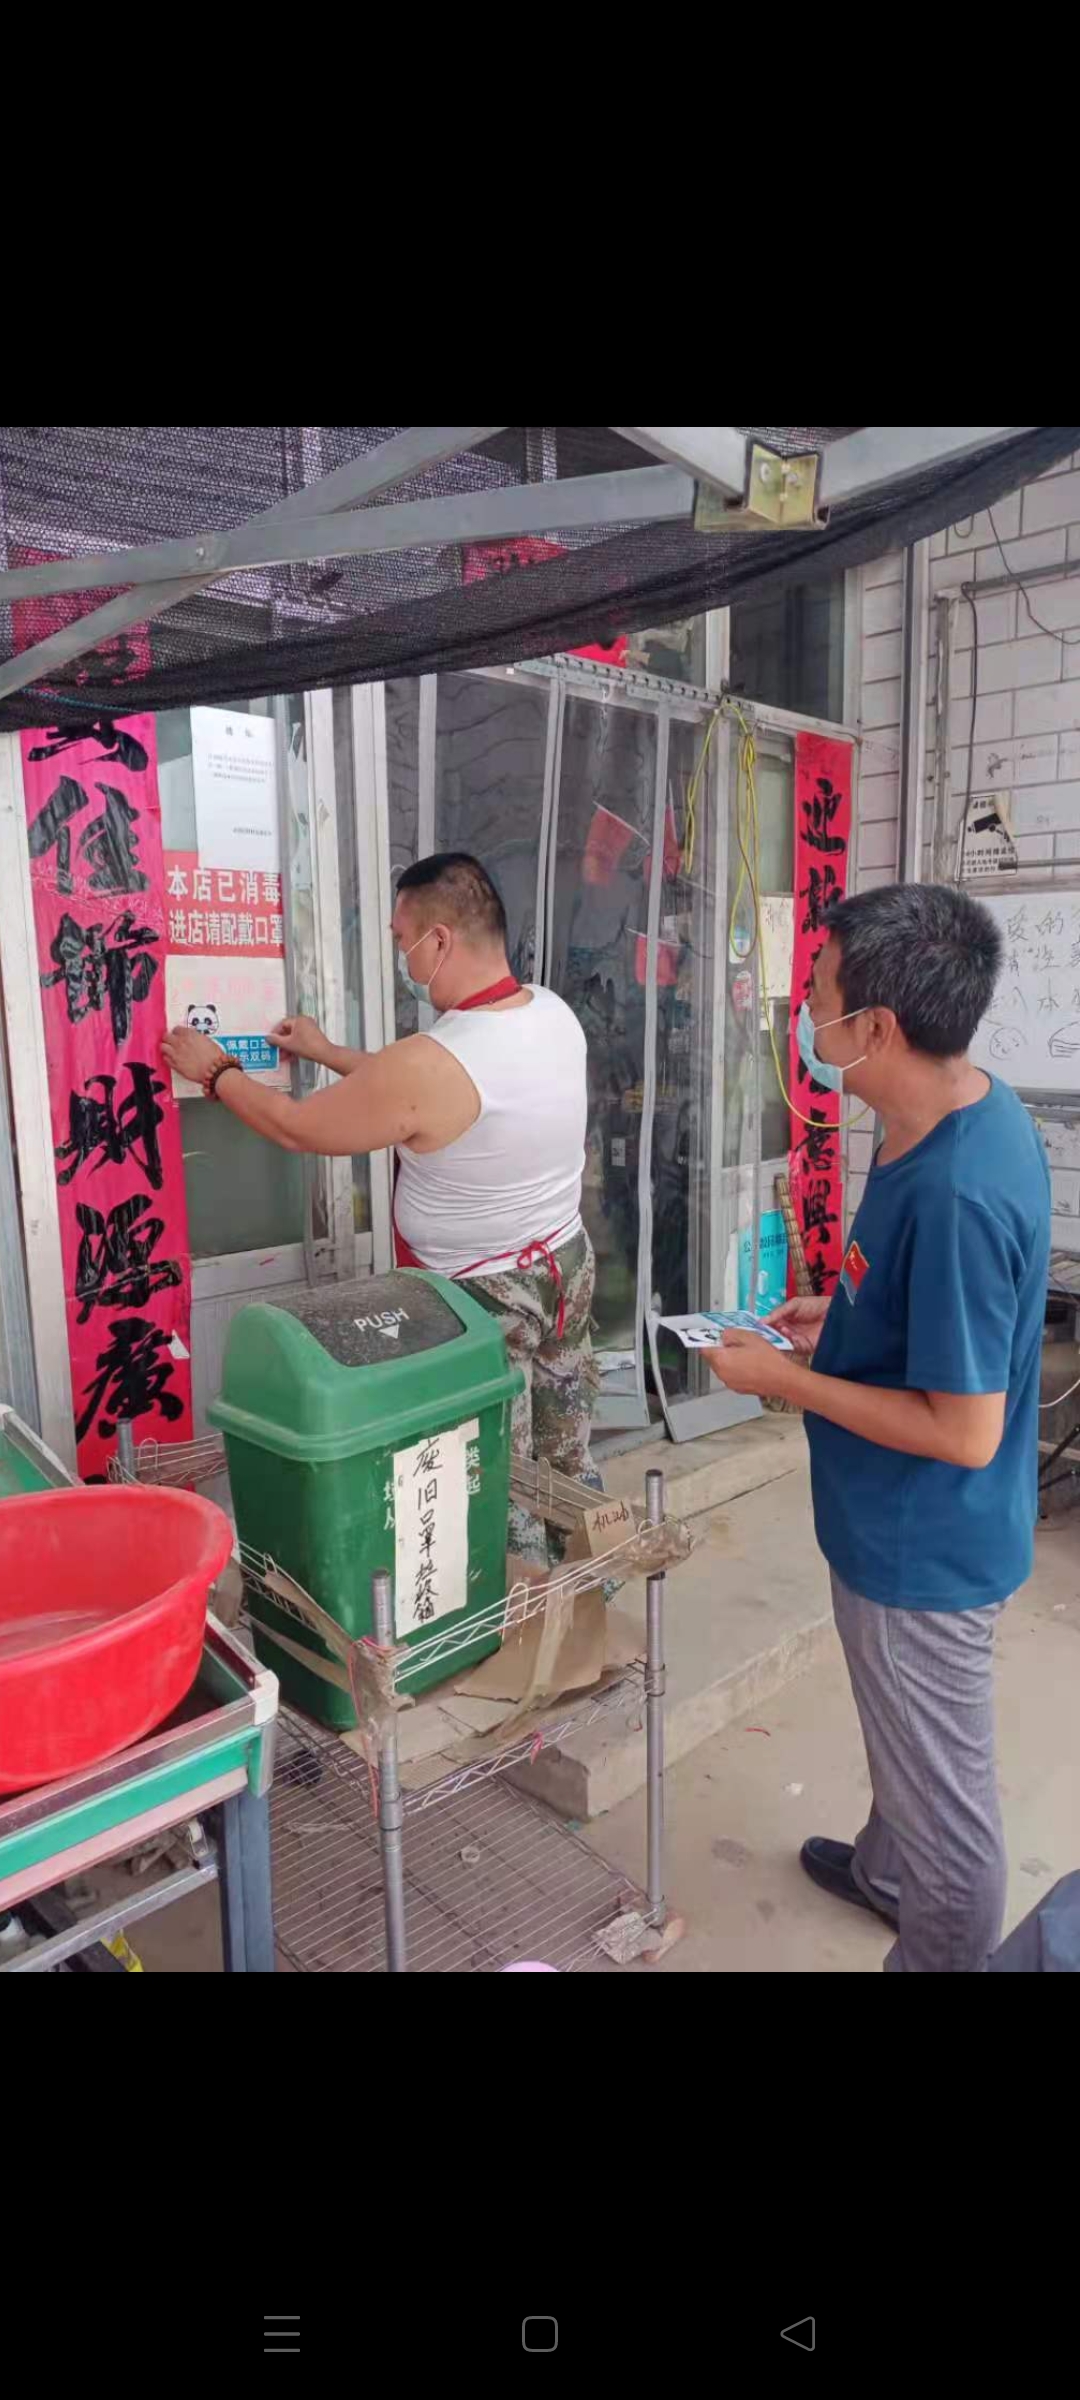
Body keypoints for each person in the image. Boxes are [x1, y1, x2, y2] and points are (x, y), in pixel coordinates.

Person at [703, 882, 1051, 1974]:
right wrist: (841, 1315)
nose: (806, 1018)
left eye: (818, 997)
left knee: (951, 1818)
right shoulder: (957, 1110)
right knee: (902, 1733)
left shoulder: (957, 1192)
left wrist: (785, 1380)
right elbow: (929, 1311)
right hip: (906, 1526)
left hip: (923, 1551)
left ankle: (938, 1943)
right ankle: (884, 1872)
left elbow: (965, 1431)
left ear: (878, 1028)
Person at [162, 851, 600, 1571]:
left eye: (402, 940)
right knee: (566, 1454)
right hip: (564, 1270)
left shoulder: (435, 1059)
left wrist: (217, 1071)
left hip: (490, 1300)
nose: (403, 957)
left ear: (440, 941)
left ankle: (520, 1618)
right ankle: (591, 1589)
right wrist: (328, 1051)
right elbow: (428, 1093)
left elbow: (299, 1127)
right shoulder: (548, 1013)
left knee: (502, 1480)